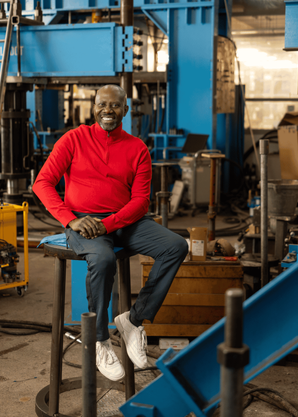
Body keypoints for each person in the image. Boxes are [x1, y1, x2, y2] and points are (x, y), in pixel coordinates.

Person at [33, 84, 188, 381]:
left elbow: (141, 201)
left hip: (123, 221)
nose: (108, 110)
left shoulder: (137, 148)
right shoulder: (73, 139)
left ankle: (133, 319)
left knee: (176, 246)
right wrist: (70, 220)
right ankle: (100, 339)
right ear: (94, 107)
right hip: (83, 221)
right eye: (102, 104)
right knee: (103, 260)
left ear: (125, 110)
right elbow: (42, 183)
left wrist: (111, 223)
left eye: (115, 105)